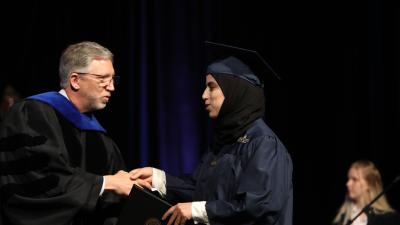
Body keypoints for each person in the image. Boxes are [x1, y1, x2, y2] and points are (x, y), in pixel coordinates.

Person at [130, 54, 293, 225]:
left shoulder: (263, 143)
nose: (204, 95)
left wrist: (198, 210)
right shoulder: (224, 141)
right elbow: (200, 192)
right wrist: (159, 179)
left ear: (234, 90)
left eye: (211, 87)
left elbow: (259, 206)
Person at [0, 41, 146, 225]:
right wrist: (105, 183)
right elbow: (40, 179)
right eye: (103, 79)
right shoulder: (32, 114)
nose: (112, 87)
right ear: (75, 80)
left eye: (113, 79)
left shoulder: (100, 136)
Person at [332, 160, 400, 225]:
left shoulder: (387, 219)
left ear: (369, 184)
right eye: (348, 179)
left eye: (354, 179)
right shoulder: (340, 219)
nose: (348, 184)